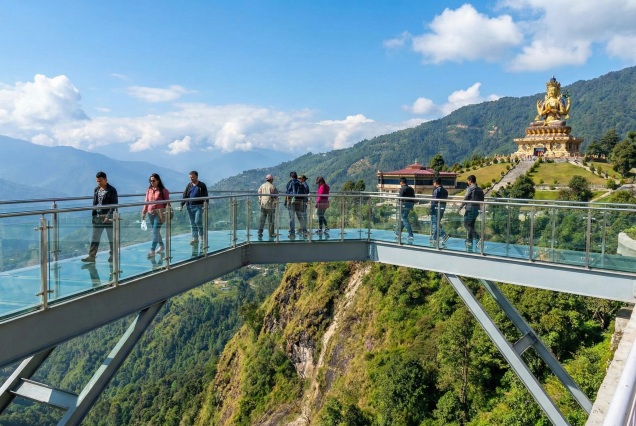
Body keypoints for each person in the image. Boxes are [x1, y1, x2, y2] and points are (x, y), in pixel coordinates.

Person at [82, 171, 118, 263]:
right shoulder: (96, 190)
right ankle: (92, 256)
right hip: (98, 217)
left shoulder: (112, 190)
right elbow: (95, 203)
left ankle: (113, 255)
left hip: (108, 217)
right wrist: (93, 216)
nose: (99, 183)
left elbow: (114, 205)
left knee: (111, 238)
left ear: (106, 180)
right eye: (97, 181)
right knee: (95, 237)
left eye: (101, 181)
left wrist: (108, 216)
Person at [141, 173, 170, 257]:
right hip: (150, 213)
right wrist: (144, 212)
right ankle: (161, 245)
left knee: (155, 231)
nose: (151, 182)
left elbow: (167, 203)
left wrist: (165, 214)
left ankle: (152, 250)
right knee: (156, 231)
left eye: (153, 181)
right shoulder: (149, 190)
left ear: (158, 181)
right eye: (150, 181)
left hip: (159, 213)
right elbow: (146, 201)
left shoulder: (163, 190)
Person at [179, 171, 208, 245]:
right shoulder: (189, 185)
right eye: (190, 177)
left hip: (199, 206)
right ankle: (195, 238)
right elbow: (185, 195)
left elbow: (206, 195)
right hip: (190, 206)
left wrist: (206, 204)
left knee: (197, 221)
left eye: (193, 177)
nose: (191, 179)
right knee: (192, 223)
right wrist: (181, 204)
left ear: (197, 177)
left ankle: (202, 236)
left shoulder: (201, 185)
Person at [457, 175, 484, 248]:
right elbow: (482, 200)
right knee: (471, 225)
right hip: (477, 209)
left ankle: (477, 237)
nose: (467, 182)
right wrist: (481, 209)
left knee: (466, 224)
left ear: (470, 181)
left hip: (470, 209)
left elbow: (465, 198)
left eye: (468, 180)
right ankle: (469, 240)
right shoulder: (480, 189)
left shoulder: (470, 189)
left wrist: (460, 207)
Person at [285, 171, 308, 238]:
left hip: (292, 203)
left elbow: (288, 192)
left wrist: (286, 202)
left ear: (291, 177)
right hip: (300, 202)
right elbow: (305, 192)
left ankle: (292, 233)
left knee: (292, 218)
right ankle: (304, 231)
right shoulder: (300, 183)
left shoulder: (290, 183)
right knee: (300, 217)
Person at [257, 174, 279, 239]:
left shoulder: (262, 186)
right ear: (271, 180)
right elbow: (276, 196)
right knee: (271, 220)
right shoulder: (272, 186)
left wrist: (260, 202)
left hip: (263, 205)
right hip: (271, 206)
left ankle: (260, 232)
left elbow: (259, 195)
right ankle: (271, 233)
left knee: (262, 219)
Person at [430, 177, 450, 246]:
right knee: (437, 223)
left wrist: (431, 210)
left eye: (433, 182)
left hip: (436, 208)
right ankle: (434, 238)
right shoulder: (445, 191)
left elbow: (434, 201)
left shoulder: (436, 190)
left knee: (434, 223)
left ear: (435, 182)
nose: (433, 184)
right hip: (442, 208)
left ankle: (443, 235)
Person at [396, 177, 415, 241]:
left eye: (399, 182)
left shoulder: (403, 189)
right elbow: (413, 198)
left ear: (401, 182)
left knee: (405, 220)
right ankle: (398, 233)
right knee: (403, 219)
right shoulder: (411, 189)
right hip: (410, 206)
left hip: (404, 206)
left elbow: (400, 198)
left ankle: (410, 235)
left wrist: (400, 206)